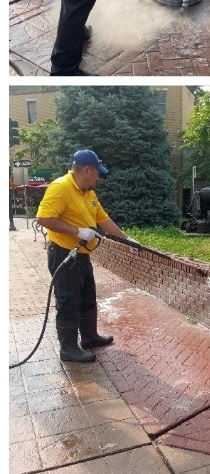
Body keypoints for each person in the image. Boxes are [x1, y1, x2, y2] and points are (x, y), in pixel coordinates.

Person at [35, 149, 137, 363]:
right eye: (97, 173)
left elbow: (103, 219)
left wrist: (127, 239)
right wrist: (77, 231)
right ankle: (68, 349)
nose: (98, 178)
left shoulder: (88, 192)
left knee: (88, 296)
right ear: (87, 170)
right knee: (68, 301)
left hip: (81, 255)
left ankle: (89, 337)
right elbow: (44, 218)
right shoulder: (61, 187)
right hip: (63, 253)